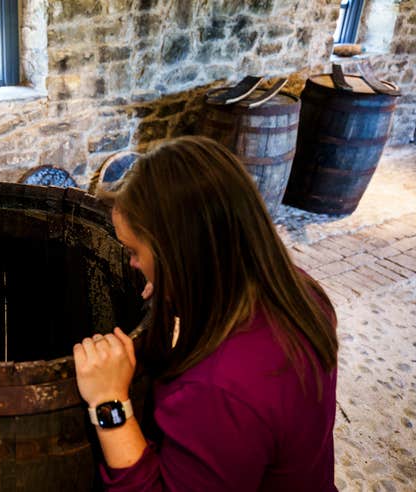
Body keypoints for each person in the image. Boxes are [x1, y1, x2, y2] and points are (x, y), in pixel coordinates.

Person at [73, 136, 338, 491]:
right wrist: (176, 284)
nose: (133, 264)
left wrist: (109, 404)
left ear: (177, 254)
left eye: (135, 251)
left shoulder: (218, 390)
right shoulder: (301, 293)